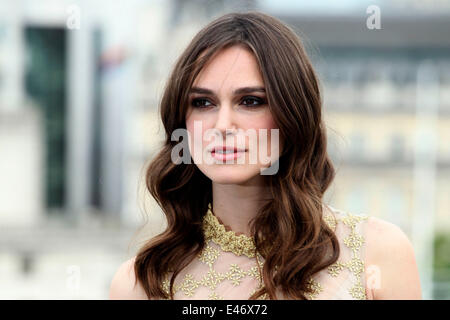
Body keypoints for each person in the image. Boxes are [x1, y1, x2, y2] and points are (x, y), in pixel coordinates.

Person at [109, 11, 421, 300]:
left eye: (251, 101)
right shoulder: (140, 283)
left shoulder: (377, 253)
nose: (222, 126)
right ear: (182, 122)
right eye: (203, 103)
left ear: (292, 116)